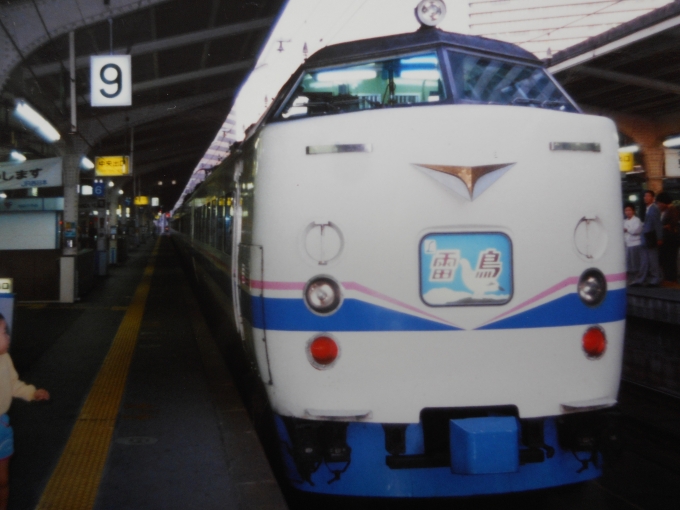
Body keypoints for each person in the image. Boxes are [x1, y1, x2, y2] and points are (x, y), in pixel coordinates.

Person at [0, 313, 49, 510]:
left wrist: (32, 392)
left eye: (6, 331)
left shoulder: (4, 359)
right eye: (3, 332)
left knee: (2, 480)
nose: (8, 337)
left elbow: (13, 384)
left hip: (1, 427)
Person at [631, 190, 663, 286]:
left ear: (653, 198)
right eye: (645, 196)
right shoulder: (647, 208)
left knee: (652, 259)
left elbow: (657, 224)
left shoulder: (654, 209)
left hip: (651, 237)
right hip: (645, 237)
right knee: (645, 259)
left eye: (648, 196)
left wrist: (659, 237)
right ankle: (641, 279)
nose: (646, 198)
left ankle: (655, 279)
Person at [655, 192, 680, 285]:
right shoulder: (666, 211)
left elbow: (672, 224)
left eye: (659, 203)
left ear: (664, 202)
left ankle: (671, 279)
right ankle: (668, 278)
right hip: (667, 239)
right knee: (666, 259)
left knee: (670, 259)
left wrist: (662, 227)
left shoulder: (672, 210)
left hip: (671, 240)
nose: (658, 205)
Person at [623, 204, 643, 276]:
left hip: (635, 243)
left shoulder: (637, 220)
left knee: (635, 262)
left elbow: (636, 231)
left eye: (629, 210)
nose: (628, 212)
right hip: (627, 244)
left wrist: (627, 229)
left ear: (633, 211)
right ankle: (631, 277)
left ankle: (638, 276)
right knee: (629, 262)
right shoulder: (624, 221)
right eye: (626, 210)